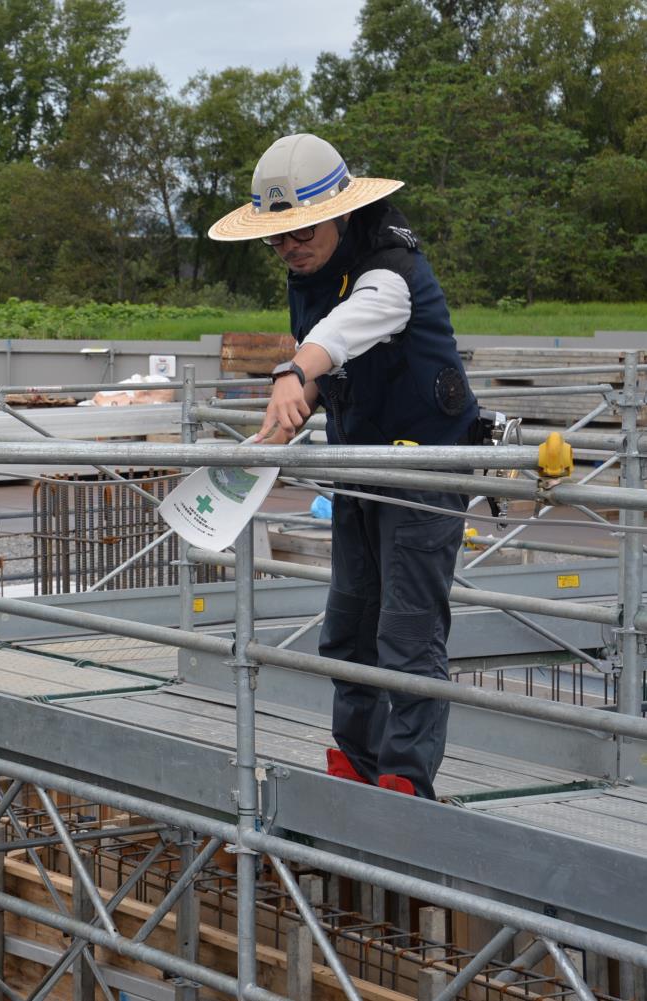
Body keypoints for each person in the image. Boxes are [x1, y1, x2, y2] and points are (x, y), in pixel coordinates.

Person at [209, 133, 479, 800]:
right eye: (276, 237)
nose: (290, 247)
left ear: (341, 212)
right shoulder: (307, 276)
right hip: (359, 466)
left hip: (426, 472)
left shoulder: (391, 267)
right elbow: (320, 360)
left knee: (408, 630)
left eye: (301, 229)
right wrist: (270, 437)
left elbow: (352, 324)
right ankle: (357, 761)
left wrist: (297, 370)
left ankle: (406, 780)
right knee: (349, 625)